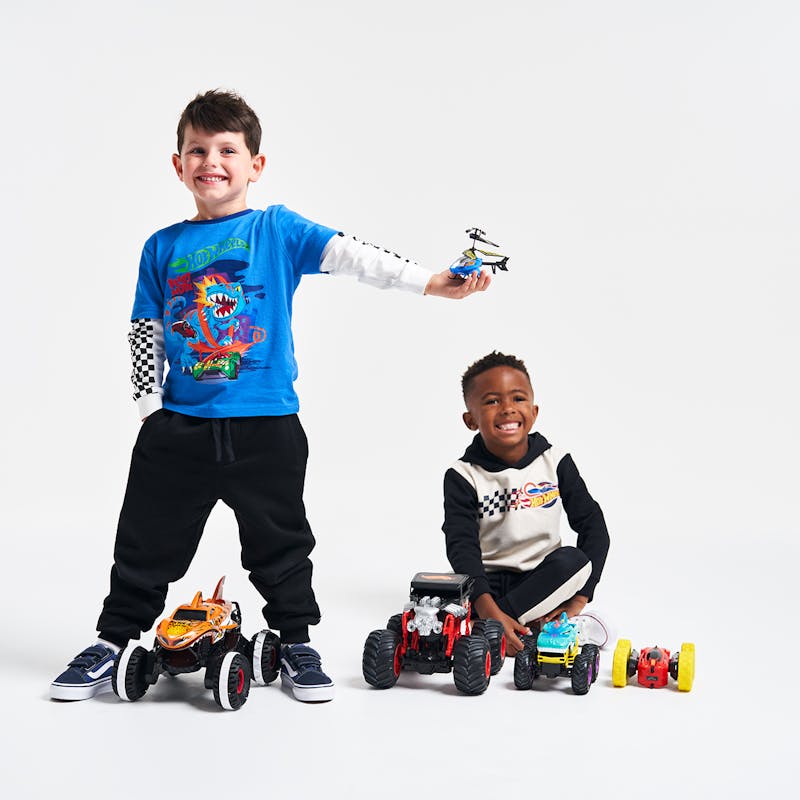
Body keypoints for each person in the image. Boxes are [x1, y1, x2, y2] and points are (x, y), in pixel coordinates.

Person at [50, 89, 490, 704]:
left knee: (281, 543)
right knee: (145, 541)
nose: (212, 160)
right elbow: (143, 331)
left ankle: (295, 640)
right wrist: (150, 414)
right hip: (179, 428)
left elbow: (354, 256)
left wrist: (431, 283)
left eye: (228, 149)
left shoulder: (276, 229)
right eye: (197, 150)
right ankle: (114, 639)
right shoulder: (161, 246)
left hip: (267, 427)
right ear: (177, 165)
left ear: (256, 164)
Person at [442, 351, 610, 656]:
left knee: (574, 561)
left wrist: (579, 599)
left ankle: (492, 626)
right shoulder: (463, 474)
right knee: (447, 585)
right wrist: (489, 607)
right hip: (486, 586)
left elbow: (593, 526)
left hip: (543, 579)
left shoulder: (555, 460)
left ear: (533, 412)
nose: (507, 409)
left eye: (518, 399)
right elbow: (461, 544)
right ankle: (503, 621)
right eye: (492, 401)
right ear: (470, 420)